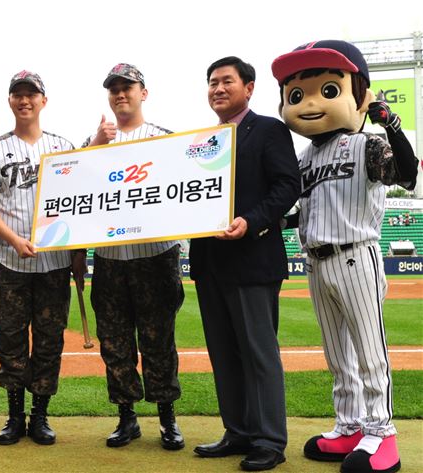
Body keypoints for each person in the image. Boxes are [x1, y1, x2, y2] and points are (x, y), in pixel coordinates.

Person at [272, 40, 419, 473]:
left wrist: (391, 125)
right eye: (296, 94)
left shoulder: (366, 144)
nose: (309, 103)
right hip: (316, 260)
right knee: (337, 354)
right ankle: (351, 425)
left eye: (327, 90)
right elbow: (301, 212)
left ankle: (382, 433)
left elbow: (408, 174)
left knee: (369, 351)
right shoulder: (303, 159)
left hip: (355, 255)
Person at [189, 56, 301, 471]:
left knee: (258, 354)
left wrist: (251, 221)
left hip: (252, 260)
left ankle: (269, 439)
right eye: (212, 82)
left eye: (226, 81)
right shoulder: (201, 142)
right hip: (209, 263)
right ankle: (237, 431)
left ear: (248, 88)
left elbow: (288, 185)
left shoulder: (269, 130)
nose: (218, 89)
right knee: (223, 353)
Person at [0, 70, 86, 446]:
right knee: (11, 339)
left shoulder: (63, 147)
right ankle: (15, 416)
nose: (24, 100)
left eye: (31, 94)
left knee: (49, 340)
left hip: (54, 264)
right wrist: (14, 240)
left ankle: (41, 416)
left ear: (43, 101)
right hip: (11, 261)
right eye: (17, 94)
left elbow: (80, 201)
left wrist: (77, 249)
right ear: (10, 101)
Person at [82, 63, 185, 451]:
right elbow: (72, 188)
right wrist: (96, 145)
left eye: (128, 86)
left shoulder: (165, 139)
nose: (120, 93)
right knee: (115, 343)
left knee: (159, 340)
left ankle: (167, 418)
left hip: (154, 255)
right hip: (110, 258)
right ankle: (127, 418)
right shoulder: (94, 141)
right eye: (114, 89)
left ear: (144, 93)